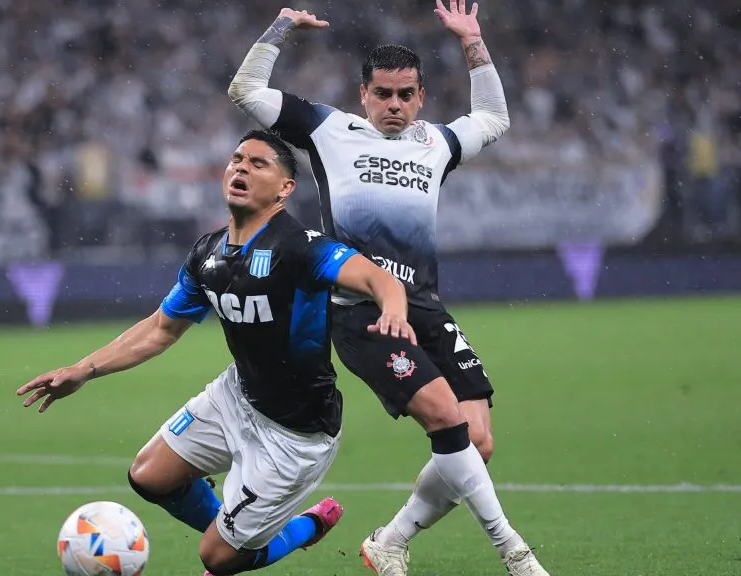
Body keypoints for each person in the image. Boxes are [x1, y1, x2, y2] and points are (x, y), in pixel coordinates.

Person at [228, 3, 549, 575]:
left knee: (477, 442)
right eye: (383, 94)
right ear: (364, 94)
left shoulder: (437, 145)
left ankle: (390, 540)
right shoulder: (329, 131)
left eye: (405, 95)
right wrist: (281, 27)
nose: (394, 106)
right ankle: (515, 554)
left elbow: (494, 118)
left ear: (421, 96)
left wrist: (473, 41)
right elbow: (246, 89)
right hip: (361, 311)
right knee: (448, 422)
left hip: (424, 306)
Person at [17, 129, 416, 576]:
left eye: (258, 163)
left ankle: (300, 527)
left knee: (216, 558)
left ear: (286, 189)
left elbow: (379, 279)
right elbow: (160, 330)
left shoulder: (301, 248)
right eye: (237, 159)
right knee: (147, 475)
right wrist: (83, 370)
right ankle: (238, 531)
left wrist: (394, 309)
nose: (241, 167)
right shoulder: (208, 254)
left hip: (295, 433)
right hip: (237, 396)